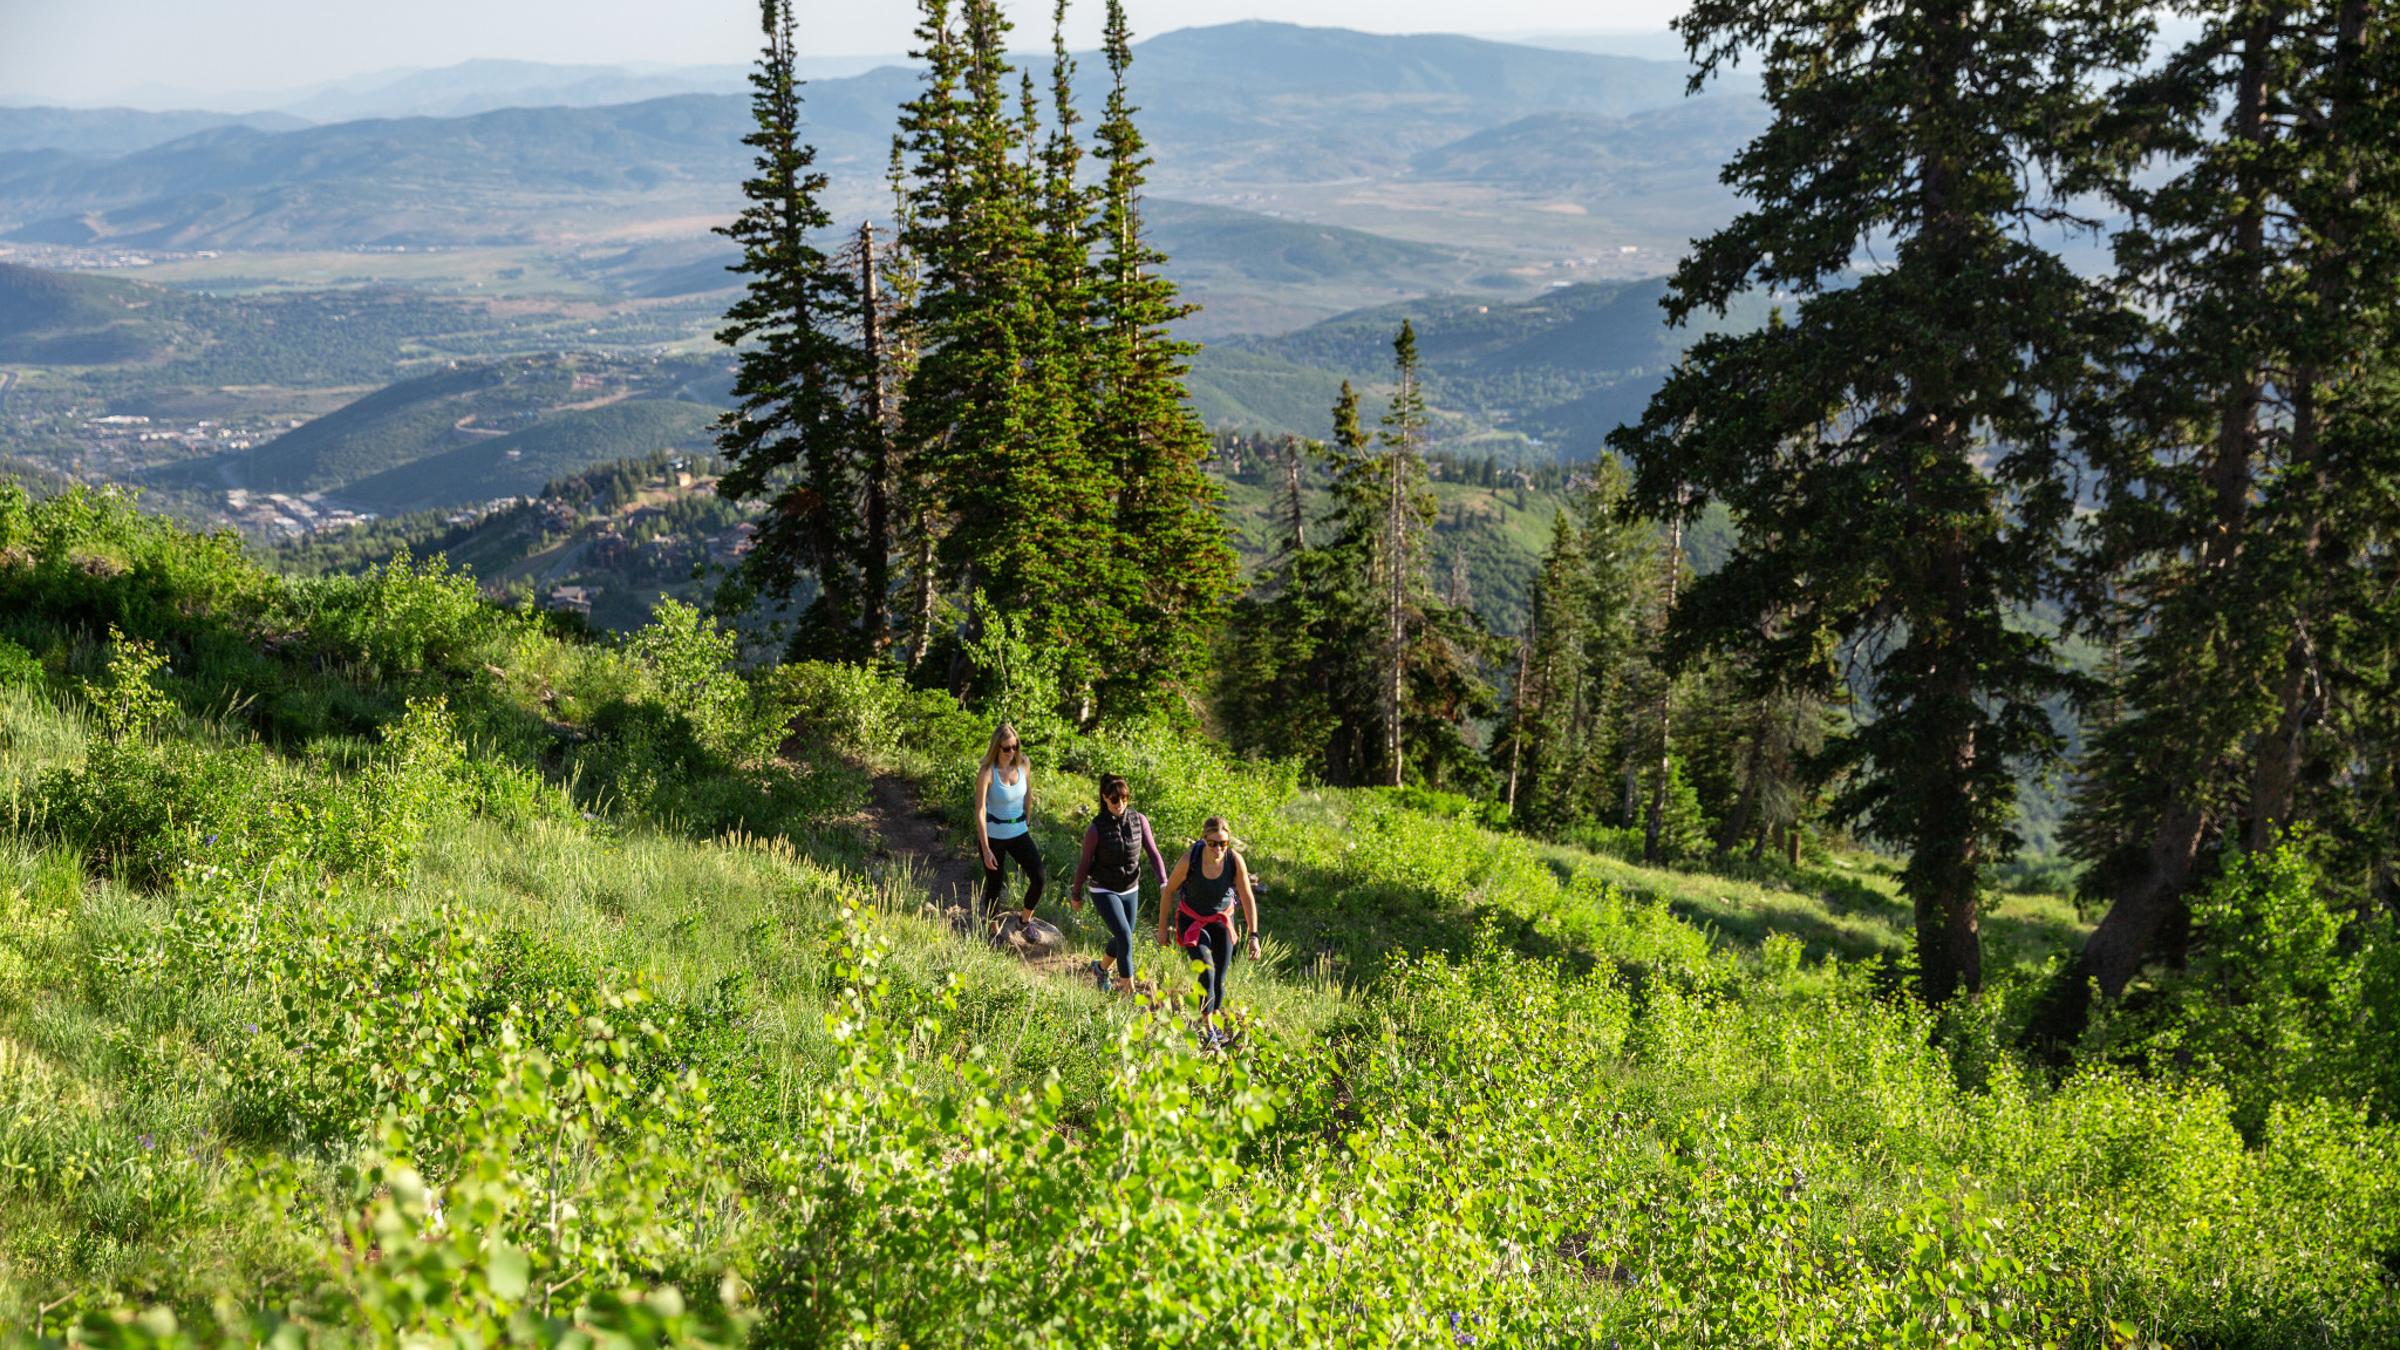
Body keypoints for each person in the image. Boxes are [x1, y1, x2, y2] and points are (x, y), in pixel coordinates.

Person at [1157, 815, 1262, 1047]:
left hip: (1220, 920)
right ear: (1204, 839)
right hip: (1191, 919)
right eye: (1213, 843)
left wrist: (1254, 936)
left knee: (1219, 979)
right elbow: (1168, 891)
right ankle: (1207, 1029)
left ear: (1228, 842)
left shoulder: (1235, 861)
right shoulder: (1190, 859)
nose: (1217, 848)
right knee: (1206, 967)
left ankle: (1210, 1022)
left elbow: (1246, 897)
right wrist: (1162, 927)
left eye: (1223, 843)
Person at [1069, 773, 1168, 994]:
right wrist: (1076, 894)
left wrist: (1164, 882)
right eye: (1114, 800)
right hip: (1103, 888)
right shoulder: (1096, 829)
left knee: (1125, 935)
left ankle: (1100, 968)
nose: (1120, 804)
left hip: (1130, 887)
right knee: (1124, 935)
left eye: (1124, 798)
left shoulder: (1139, 820)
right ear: (1104, 798)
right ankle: (1128, 994)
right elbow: (1084, 864)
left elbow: (1153, 853)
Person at [974, 723, 1043, 929]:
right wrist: (986, 850)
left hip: (1019, 832)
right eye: (1006, 748)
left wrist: (1027, 819)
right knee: (995, 885)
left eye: (1015, 746)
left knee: (1039, 878)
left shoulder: (1024, 764)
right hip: (994, 835)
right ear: (997, 747)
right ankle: (993, 930)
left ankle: (1024, 921)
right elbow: (980, 810)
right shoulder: (987, 772)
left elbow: (1028, 793)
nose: (1011, 752)